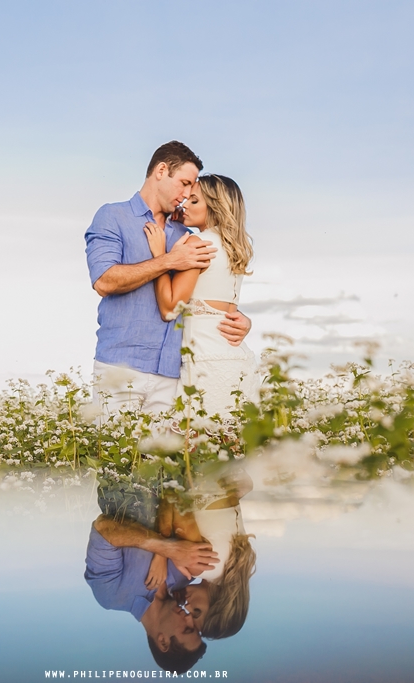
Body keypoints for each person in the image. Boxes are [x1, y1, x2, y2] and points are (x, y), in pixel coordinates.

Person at [85, 141, 252, 414]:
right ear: (161, 171)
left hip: (173, 373)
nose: (187, 194)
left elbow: (200, 293)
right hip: (121, 365)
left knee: (164, 456)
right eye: (185, 183)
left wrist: (238, 318)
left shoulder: (186, 234)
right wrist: (167, 260)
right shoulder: (113, 216)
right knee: (111, 452)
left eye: (193, 189)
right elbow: (105, 281)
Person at [144, 174, 259, 417]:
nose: (185, 204)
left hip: (205, 361)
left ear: (215, 207)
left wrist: (160, 257)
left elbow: (170, 309)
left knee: (193, 448)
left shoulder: (199, 243)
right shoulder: (232, 247)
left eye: (194, 201)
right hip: (237, 360)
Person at [84, 512, 218, 673]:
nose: (190, 618)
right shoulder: (186, 577)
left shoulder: (111, 595)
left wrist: (164, 549)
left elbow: (104, 527)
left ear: (163, 642)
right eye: (194, 627)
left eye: (187, 629)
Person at [145, 469, 256, 640]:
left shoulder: (236, 563)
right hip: (191, 464)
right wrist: (165, 551)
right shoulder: (201, 566)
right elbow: (172, 496)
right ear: (218, 604)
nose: (186, 608)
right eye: (196, 612)